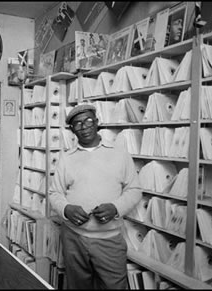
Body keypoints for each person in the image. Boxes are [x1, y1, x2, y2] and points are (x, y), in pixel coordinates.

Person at [48, 104, 142, 289]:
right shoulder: (66, 158)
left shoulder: (120, 154)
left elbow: (135, 189)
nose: (84, 127)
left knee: (114, 286)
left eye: (89, 121)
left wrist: (116, 208)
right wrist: (66, 209)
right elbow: (55, 193)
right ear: (72, 130)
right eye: (78, 124)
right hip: (73, 238)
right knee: (77, 286)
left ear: (97, 122)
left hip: (109, 239)